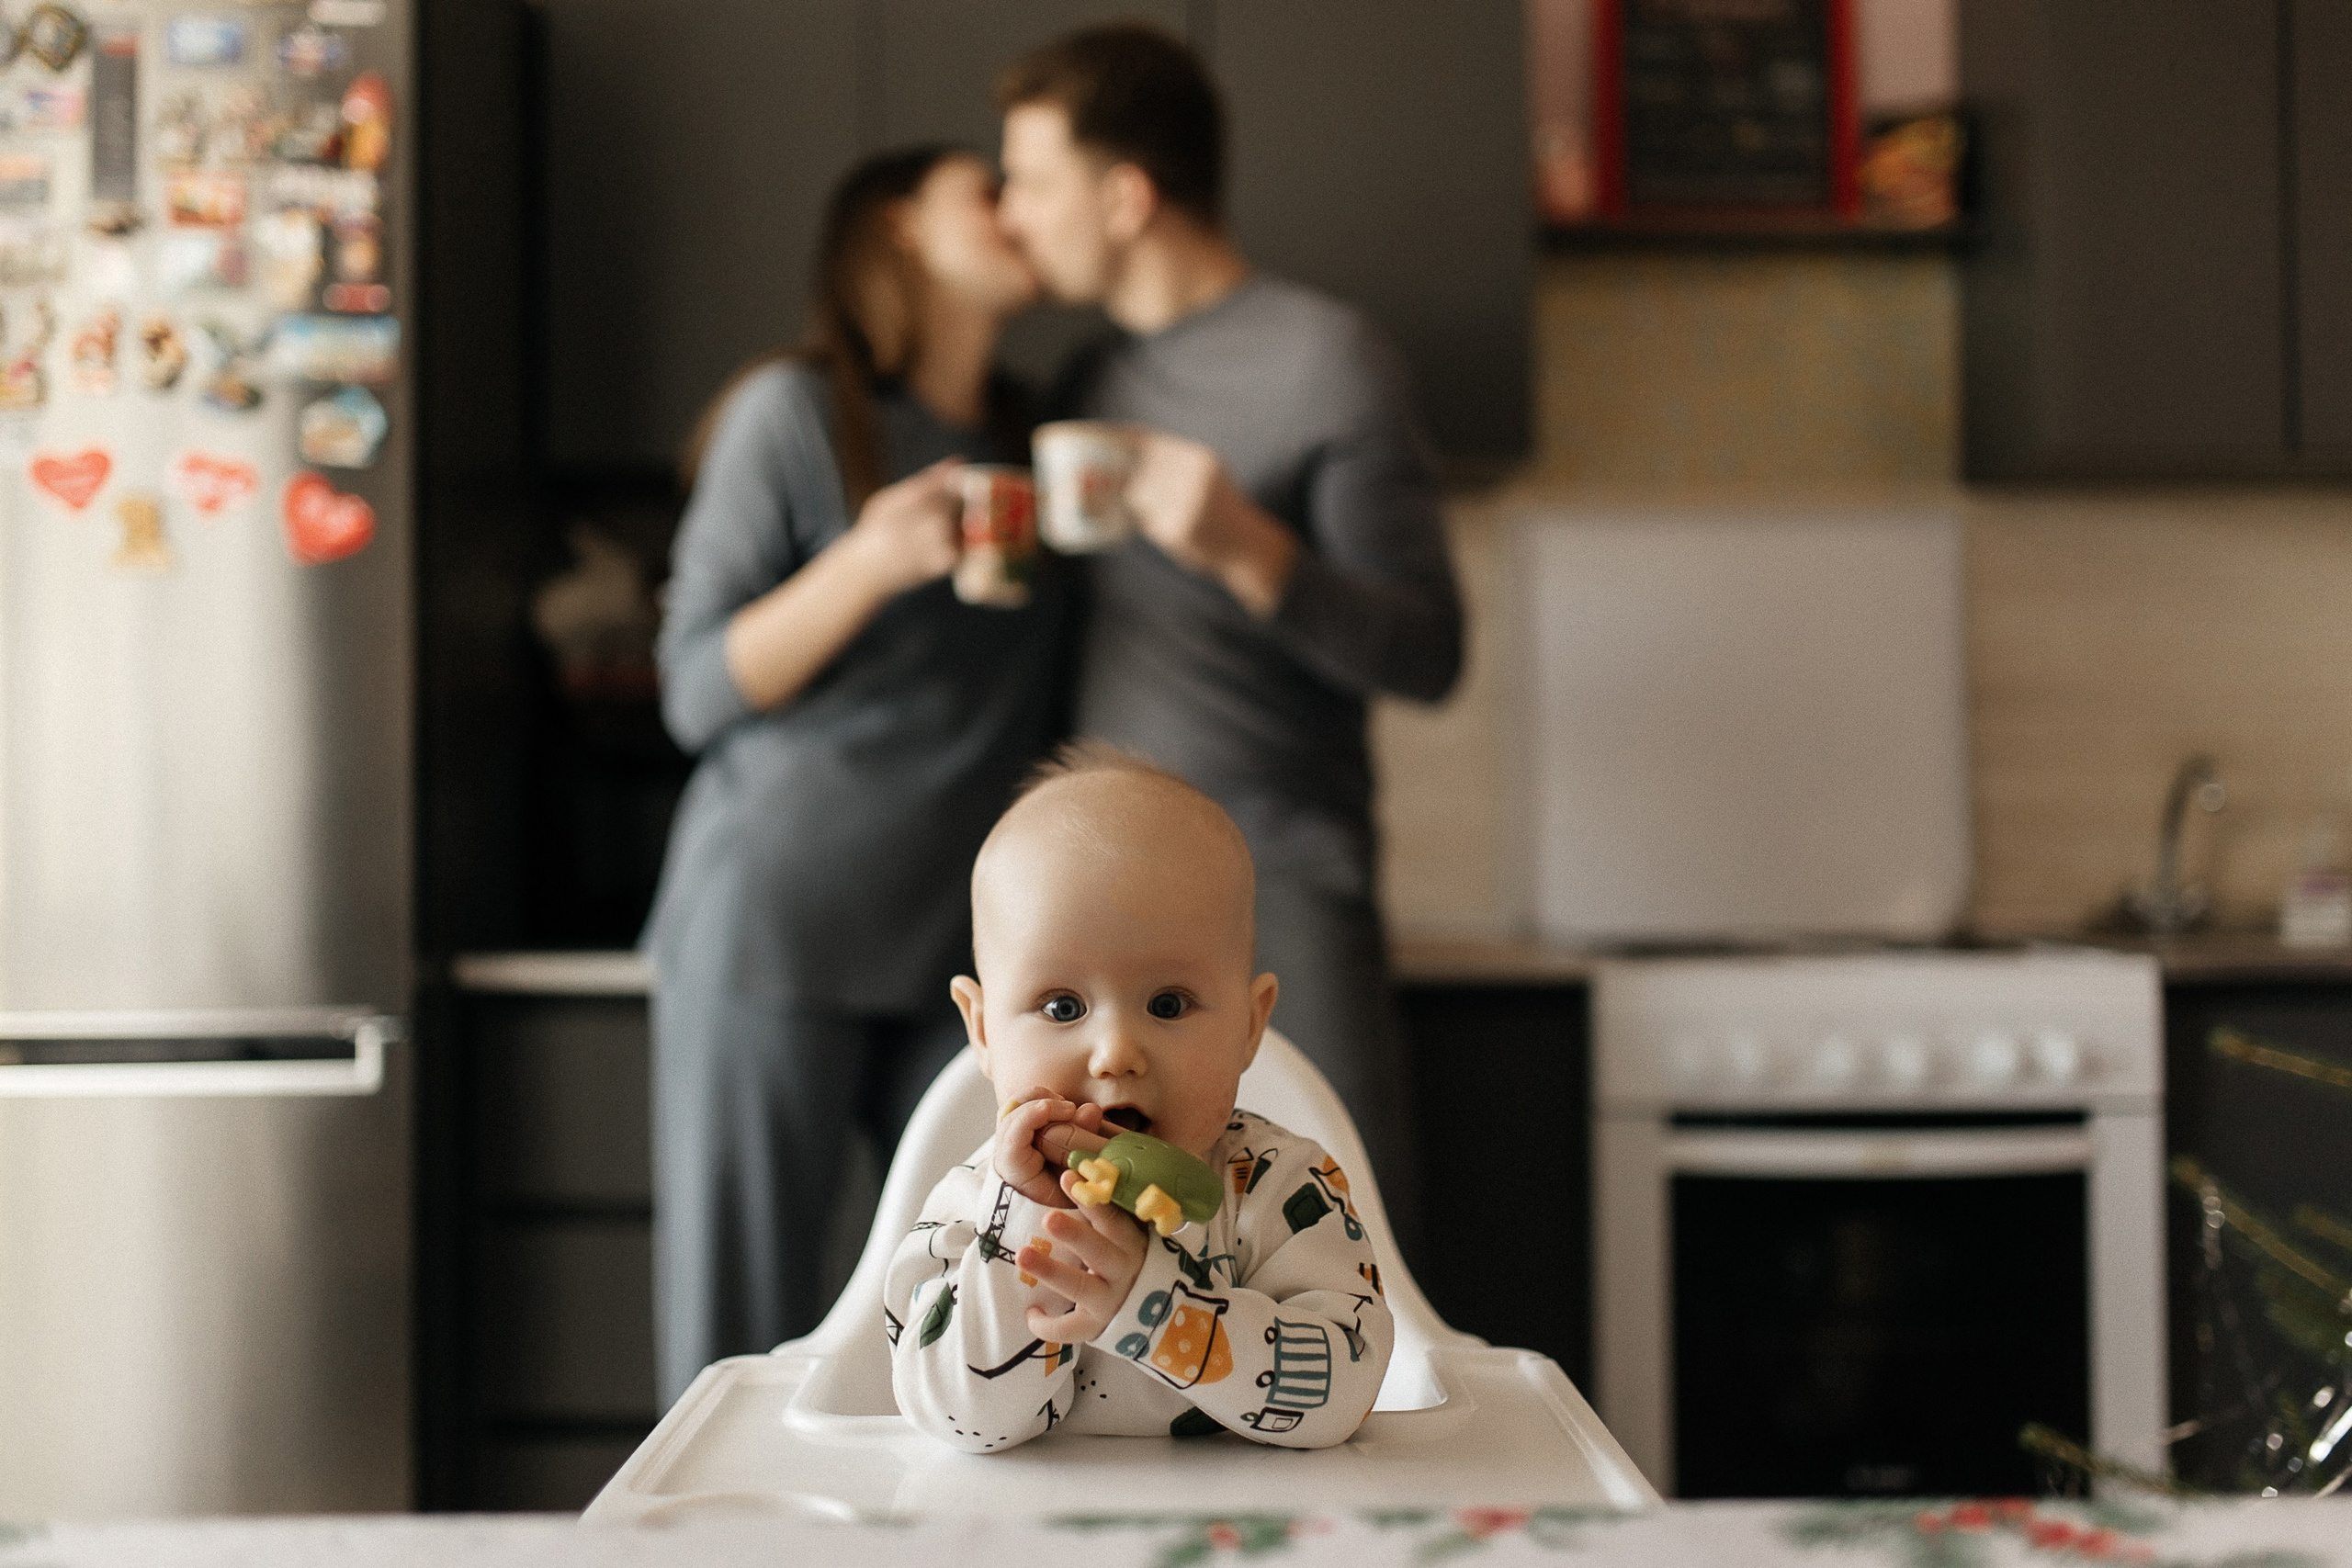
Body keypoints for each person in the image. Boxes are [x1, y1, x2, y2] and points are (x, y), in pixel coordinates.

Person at [991, 25, 1462, 1247]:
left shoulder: (1329, 363)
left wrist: (1248, 545)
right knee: (1095, 1249)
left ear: (1126, 194)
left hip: (1281, 884)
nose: (1014, 214)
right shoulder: (1082, 378)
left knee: (1342, 1237)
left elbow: (1430, 651)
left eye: (1033, 181)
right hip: (1092, 900)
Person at [644, 146, 1071, 1405]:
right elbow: (693, 690)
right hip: (772, 928)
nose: (1018, 206)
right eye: (984, 188)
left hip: (959, 959)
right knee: (738, 1330)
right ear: (896, 226)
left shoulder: (1038, 440)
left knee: (964, 1330)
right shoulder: (793, 412)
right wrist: (870, 560)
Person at [885, 747, 1393, 1450]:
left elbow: (1346, 1387)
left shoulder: (1280, 1190)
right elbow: (954, 1417)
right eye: (1062, 1006)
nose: (1116, 1052)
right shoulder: (973, 1205)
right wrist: (1027, 1223)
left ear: (1249, 1025)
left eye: (1168, 1002)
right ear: (983, 1031)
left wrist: (1154, 1312)